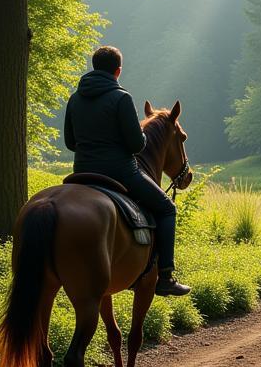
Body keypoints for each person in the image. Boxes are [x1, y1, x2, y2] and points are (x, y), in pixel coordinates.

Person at [64, 46, 190, 297]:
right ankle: (165, 276)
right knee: (167, 208)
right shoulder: (121, 98)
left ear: (94, 66)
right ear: (118, 71)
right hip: (120, 171)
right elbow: (136, 145)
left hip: (81, 172)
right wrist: (139, 136)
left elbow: (70, 142)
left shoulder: (75, 98)